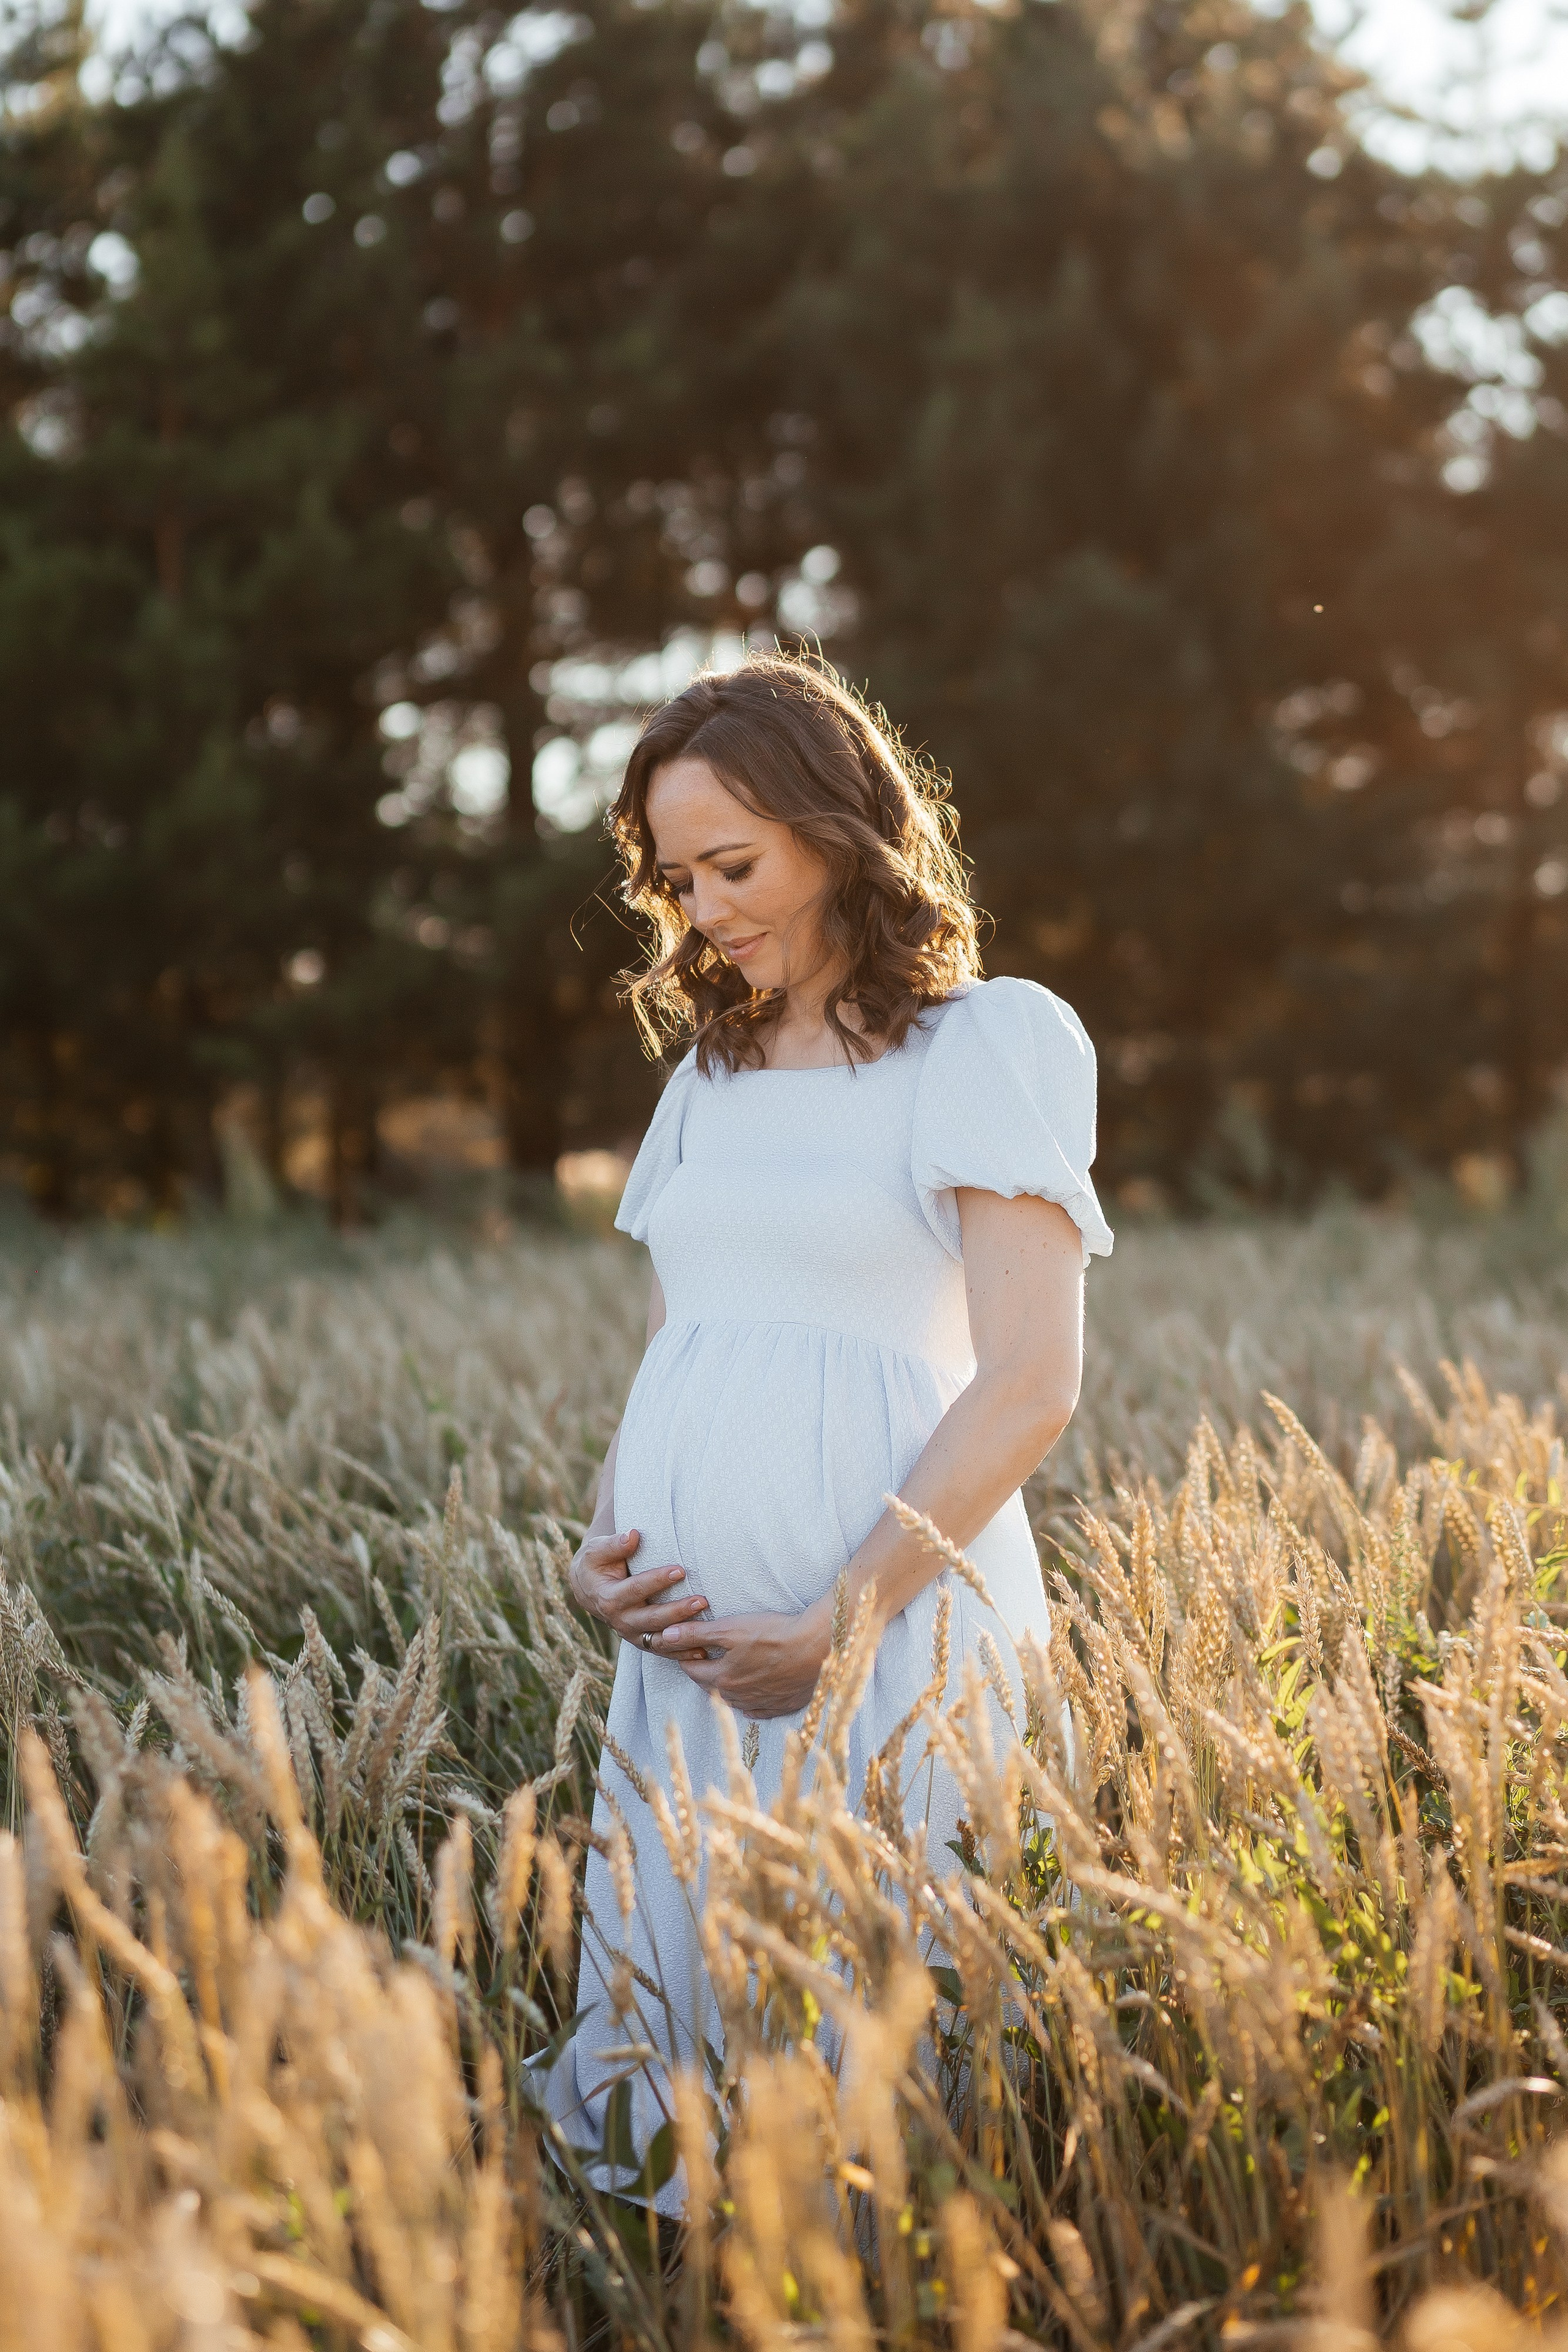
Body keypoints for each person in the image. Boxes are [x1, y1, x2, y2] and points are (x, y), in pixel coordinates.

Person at [542, 654, 1112, 2206]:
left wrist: (836, 1631)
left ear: (839, 830)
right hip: (692, 1668)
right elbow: (681, 1346)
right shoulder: (705, 1081)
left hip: (889, 1650)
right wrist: (602, 1550)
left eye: (736, 864)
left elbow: (1026, 1383)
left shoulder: (985, 1041)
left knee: (873, 2106)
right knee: (689, 2089)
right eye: (676, 879)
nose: (704, 909)